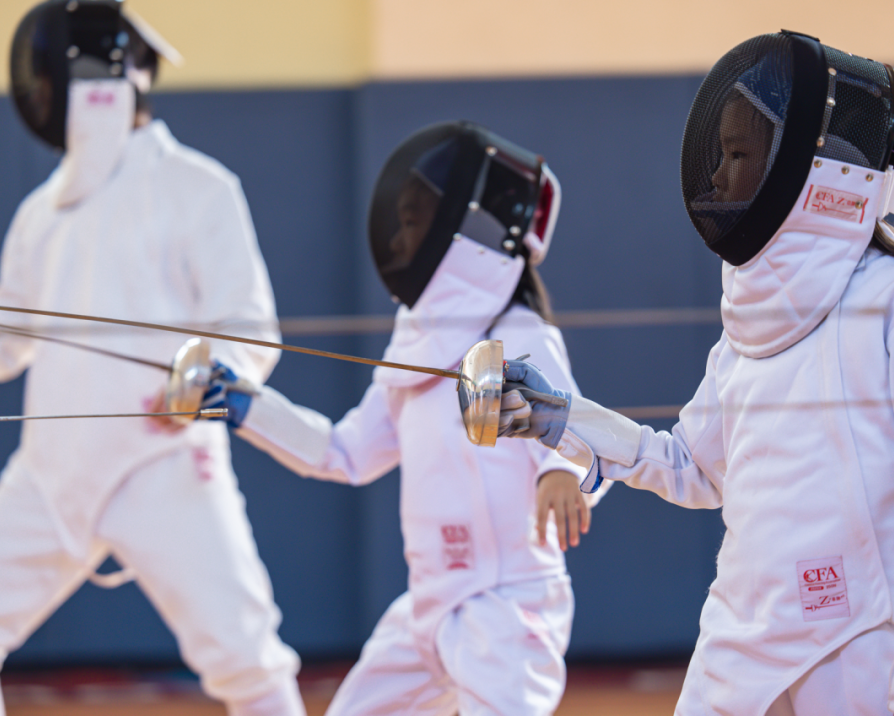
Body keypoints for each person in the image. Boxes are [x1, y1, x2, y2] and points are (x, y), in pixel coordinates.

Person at [499, 31, 894, 716]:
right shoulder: (749, 327)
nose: (720, 179)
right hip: (738, 643)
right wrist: (558, 418)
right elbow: (692, 468)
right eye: (721, 155)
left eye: (738, 155)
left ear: (808, 163)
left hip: (853, 644)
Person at [0, 3, 304, 715]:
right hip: (48, 475)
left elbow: (250, 327)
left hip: (163, 465)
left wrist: (206, 378)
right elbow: (0, 341)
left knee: (248, 664)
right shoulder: (43, 211)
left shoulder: (199, 187)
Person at [203, 121, 604, 715]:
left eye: (416, 222)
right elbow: (345, 453)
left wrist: (560, 474)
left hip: (507, 605)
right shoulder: (410, 352)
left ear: (470, 231)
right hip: (428, 607)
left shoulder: (518, 335)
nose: (399, 240)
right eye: (405, 220)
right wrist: (245, 406)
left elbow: (574, 427)